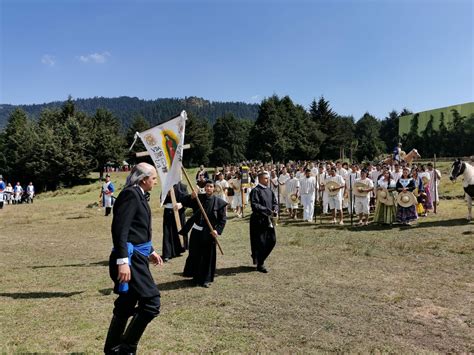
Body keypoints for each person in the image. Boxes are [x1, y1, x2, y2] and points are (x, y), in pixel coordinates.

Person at [104, 163, 163, 354]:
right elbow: (120, 230)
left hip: (138, 255)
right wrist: (123, 262)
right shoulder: (130, 194)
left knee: (126, 303)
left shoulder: (138, 194)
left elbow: (136, 229)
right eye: (154, 178)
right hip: (130, 259)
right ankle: (125, 348)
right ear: (144, 179)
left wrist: (151, 250)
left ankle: (112, 348)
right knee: (152, 303)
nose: (155, 181)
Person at [180, 179, 227, 287]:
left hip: (209, 233)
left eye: (211, 186)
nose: (208, 188)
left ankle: (206, 279)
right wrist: (191, 196)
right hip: (196, 232)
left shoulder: (219, 202)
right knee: (195, 254)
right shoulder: (198, 198)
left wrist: (217, 230)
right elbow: (184, 201)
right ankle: (195, 277)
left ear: (214, 188)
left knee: (207, 256)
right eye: (207, 186)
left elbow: (223, 219)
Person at [249, 171, 278, 273]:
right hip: (258, 220)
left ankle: (259, 259)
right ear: (261, 179)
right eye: (266, 178)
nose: (268, 180)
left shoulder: (270, 191)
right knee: (260, 242)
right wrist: (267, 210)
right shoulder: (255, 191)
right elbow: (255, 205)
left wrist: (275, 209)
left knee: (272, 241)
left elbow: (275, 202)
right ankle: (260, 263)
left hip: (269, 220)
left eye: (268, 178)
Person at [162, 182, 188, 262]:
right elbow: (162, 200)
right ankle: (167, 253)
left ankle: (179, 249)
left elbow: (187, 199)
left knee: (179, 231)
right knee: (168, 232)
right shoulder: (166, 186)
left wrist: (182, 204)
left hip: (179, 212)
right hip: (169, 212)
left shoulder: (183, 186)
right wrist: (167, 195)